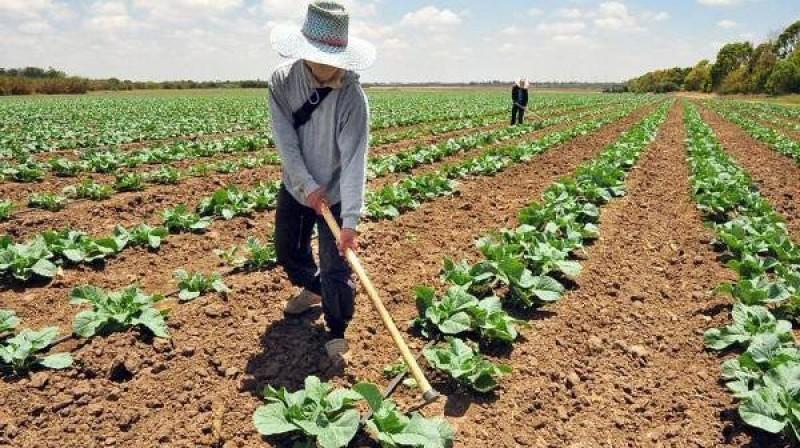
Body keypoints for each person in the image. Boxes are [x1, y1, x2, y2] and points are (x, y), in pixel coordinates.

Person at [268, 1, 375, 365]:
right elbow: (286, 141)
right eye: (320, 57)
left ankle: (337, 329)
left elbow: (353, 161)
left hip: (337, 193)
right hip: (298, 188)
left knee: (336, 266)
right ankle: (317, 291)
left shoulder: (351, 98)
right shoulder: (282, 82)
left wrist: (350, 223)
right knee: (288, 252)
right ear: (304, 53)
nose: (329, 67)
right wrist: (307, 187)